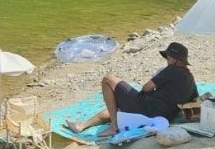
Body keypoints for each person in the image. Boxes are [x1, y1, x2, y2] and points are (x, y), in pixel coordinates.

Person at [65, 41, 197, 139]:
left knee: (108, 79)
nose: (167, 60)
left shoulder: (172, 70)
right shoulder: (190, 78)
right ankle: (81, 125)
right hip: (166, 116)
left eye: (168, 58)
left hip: (148, 108)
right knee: (116, 108)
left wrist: (155, 88)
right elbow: (195, 99)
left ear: (175, 59)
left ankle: (114, 126)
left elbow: (146, 87)